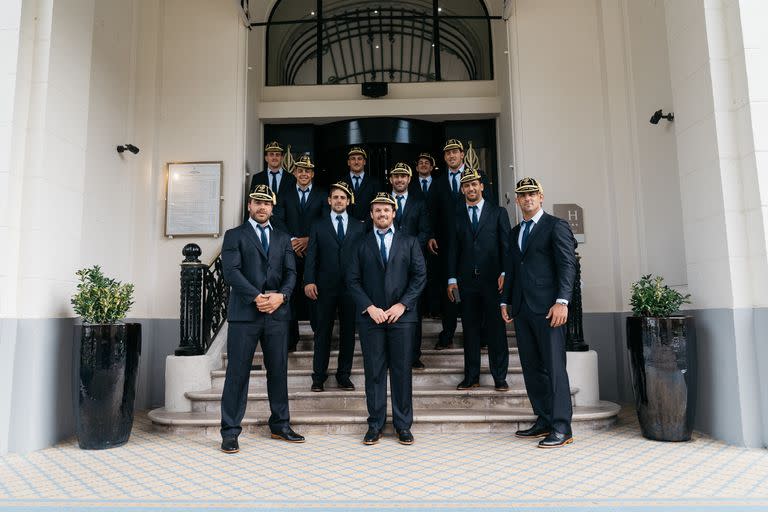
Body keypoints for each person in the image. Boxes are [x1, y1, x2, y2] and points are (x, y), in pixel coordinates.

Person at [219, 184, 305, 454]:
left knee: (278, 371)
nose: (261, 207)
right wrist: (256, 296)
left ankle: (280, 425)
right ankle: (230, 432)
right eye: (257, 202)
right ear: (249, 205)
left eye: (266, 203)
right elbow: (231, 272)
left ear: (272, 208)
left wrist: (283, 296)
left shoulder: (282, 237)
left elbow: (292, 273)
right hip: (245, 313)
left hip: (277, 313)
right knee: (237, 374)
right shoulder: (235, 235)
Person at [501, 177, 577, 449]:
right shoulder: (514, 232)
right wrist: (505, 302)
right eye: (522, 195)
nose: (527, 198)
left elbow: (568, 266)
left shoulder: (556, 226)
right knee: (532, 368)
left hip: (549, 310)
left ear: (541, 197)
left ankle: (561, 427)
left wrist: (562, 301)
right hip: (522, 309)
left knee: (555, 369)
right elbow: (512, 269)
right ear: (518, 200)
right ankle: (544, 419)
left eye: (532, 194)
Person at [347, 192, 426, 445]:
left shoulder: (410, 242)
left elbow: (419, 276)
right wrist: (369, 307)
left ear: (394, 213)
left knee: (402, 372)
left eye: (386, 210)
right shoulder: (360, 243)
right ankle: (375, 424)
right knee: (375, 373)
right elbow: (353, 280)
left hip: (401, 318)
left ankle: (403, 425)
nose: (382, 214)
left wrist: (402, 305)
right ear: (371, 214)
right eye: (377, 210)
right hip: (372, 318)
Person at [446, 167, 511, 392]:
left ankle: (500, 377)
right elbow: (453, 249)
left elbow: (506, 246)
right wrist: (451, 279)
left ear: (482, 186)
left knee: (496, 330)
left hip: (493, 281)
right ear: (462, 189)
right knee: (470, 331)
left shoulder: (498, 212)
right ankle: (471, 376)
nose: (471, 188)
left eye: (474, 184)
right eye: (466, 185)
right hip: (466, 282)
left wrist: (505, 272)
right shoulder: (456, 215)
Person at [304, 181, 365, 392]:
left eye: (343, 197)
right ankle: (318, 377)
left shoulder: (359, 225)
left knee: (348, 332)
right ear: (329, 200)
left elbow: (363, 258)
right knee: (323, 332)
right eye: (335, 197)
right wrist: (309, 280)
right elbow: (312, 255)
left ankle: (343, 376)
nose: (339, 200)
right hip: (324, 286)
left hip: (351, 287)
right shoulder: (318, 225)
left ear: (348, 201)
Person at [272, 155, 327, 352]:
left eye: (308, 171)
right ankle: (291, 340)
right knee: (291, 294)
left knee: (316, 294)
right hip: (291, 252)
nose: (304, 174)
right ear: (295, 173)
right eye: (300, 170)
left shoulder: (322, 195)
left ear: (312, 174)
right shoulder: (284, 195)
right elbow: (277, 221)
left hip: (315, 252)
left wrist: (309, 240)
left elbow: (325, 221)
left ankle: (319, 335)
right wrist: (293, 240)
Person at [388, 162, 431, 369]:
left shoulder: (419, 202)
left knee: (413, 307)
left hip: (412, 262)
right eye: (396, 176)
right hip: (387, 262)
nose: (399, 179)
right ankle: (390, 355)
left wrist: (409, 250)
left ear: (409, 179)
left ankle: (414, 355)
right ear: (391, 179)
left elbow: (424, 231)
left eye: (403, 176)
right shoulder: (383, 201)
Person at [428, 139, 468, 350]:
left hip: (472, 243)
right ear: (444, 158)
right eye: (448, 153)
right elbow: (431, 212)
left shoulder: (476, 178)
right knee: (449, 289)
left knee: (473, 287)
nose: (451, 156)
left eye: (455, 152)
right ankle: (448, 333)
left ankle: (480, 335)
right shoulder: (438, 182)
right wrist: (432, 234)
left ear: (462, 154)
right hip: (446, 245)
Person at [409, 152, 440, 320]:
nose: (423, 165)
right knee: (416, 273)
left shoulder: (439, 184)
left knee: (433, 274)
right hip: (416, 239)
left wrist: (433, 235)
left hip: (435, 238)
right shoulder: (410, 185)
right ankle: (419, 308)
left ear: (431, 166)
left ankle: (434, 308)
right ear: (416, 167)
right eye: (420, 162)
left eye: (427, 162)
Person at [343, 147, 381, 230]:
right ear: (348, 162)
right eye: (353, 159)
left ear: (364, 162)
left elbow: (377, 205)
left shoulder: (374, 183)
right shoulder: (341, 182)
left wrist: (366, 223)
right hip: (346, 227)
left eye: (359, 159)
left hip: (368, 228)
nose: (356, 162)